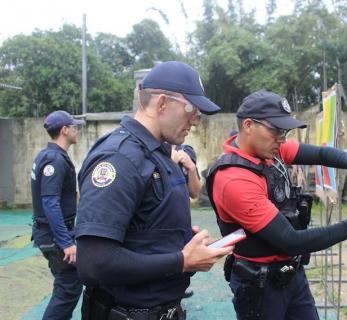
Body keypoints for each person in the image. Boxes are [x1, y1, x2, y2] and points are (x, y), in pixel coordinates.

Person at [206, 89, 347, 320]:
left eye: (284, 131)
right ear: (249, 125)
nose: (282, 139)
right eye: (276, 130)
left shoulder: (268, 151)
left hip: (290, 273)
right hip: (260, 286)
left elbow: (322, 155)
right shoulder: (234, 180)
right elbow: (291, 241)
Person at [75, 61, 232, 320]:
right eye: (191, 109)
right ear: (161, 104)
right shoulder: (120, 158)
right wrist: (181, 260)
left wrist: (178, 241)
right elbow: (94, 263)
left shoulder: (161, 153)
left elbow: (143, 230)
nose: (196, 120)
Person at [30, 110, 85, 320]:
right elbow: (50, 202)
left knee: (66, 286)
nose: (76, 130)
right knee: (68, 288)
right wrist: (66, 243)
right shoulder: (55, 160)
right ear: (64, 130)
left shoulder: (48, 155)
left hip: (50, 232)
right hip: (54, 236)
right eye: (74, 126)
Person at [171, 144, 202, 299]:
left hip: (181, 224)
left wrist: (191, 167)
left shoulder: (186, 151)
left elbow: (195, 192)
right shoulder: (145, 151)